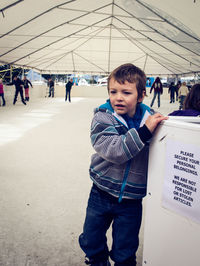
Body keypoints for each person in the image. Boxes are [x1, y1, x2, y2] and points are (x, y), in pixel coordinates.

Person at [79, 63, 167, 266]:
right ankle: (96, 260)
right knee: (91, 239)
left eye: (126, 92)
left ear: (141, 95)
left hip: (132, 199)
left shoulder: (151, 120)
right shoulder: (102, 118)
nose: (118, 97)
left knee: (125, 249)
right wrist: (144, 132)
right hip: (101, 191)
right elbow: (115, 150)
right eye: (113, 91)